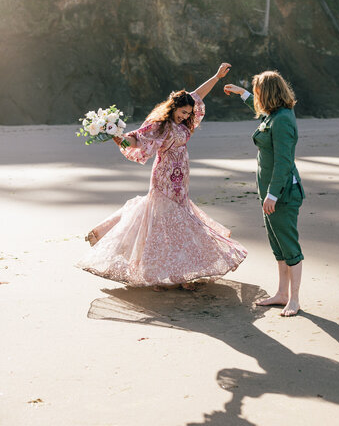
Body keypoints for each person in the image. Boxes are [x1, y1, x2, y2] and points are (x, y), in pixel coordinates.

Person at [77, 63, 247, 290]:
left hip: (182, 178)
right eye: (182, 111)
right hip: (164, 177)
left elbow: (197, 95)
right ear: (173, 107)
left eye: (188, 113)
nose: (185, 115)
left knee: (181, 222)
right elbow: (137, 139)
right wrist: (118, 137)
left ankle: (182, 272)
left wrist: (216, 77)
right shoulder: (160, 125)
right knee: (161, 223)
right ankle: (154, 273)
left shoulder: (186, 122)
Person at [224, 71, 305, 316]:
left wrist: (273, 195)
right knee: (278, 246)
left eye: (257, 91)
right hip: (269, 192)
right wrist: (243, 94)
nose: (256, 95)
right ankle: (281, 294)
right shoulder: (273, 114)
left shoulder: (282, 120)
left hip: (282, 194)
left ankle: (294, 299)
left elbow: (283, 161)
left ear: (268, 93)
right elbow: (260, 112)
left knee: (290, 248)